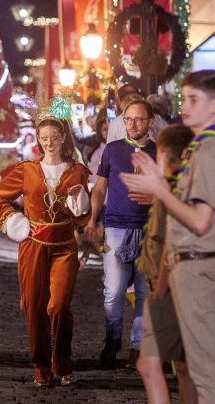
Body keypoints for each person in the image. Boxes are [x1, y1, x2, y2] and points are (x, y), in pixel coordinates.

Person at [120, 70, 215, 402]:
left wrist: (160, 188)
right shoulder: (197, 150)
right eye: (183, 98)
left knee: (204, 378)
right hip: (177, 269)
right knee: (163, 362)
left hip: (198, 269)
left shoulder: (209, 151)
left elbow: (201, 222)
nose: (184, 106)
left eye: (194, 100)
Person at [0, 115, 91, 387]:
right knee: (35, 307)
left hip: (64, 247)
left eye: (54, 138)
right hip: (33, 246)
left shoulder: (76, 170)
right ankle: (41, 365)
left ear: (63, 138)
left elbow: (82, 217)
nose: (49, 143)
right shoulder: (27, 169)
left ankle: (62, 361)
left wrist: (80, 200)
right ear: (38, 139)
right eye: (44, 138)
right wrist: (12, 219)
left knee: (58, 306)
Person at [86, 99, 156, 368]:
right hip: (116, 229)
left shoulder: (159, 152)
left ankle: (138, 347)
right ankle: (112, 338)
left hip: (149, 231)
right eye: (128, 120)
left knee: (143, 293)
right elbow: (100, 188)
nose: (133, 125)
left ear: (150, 121)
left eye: (139, 119)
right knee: (113, 292)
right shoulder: (113, 151)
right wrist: (92, 220)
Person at [133, 125, 197, 404]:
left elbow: (168, 243)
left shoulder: (171, 191)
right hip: (183, 283)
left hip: (168, 284)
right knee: (184, 366)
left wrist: (157, 292)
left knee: (149, 363)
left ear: (163, 154)